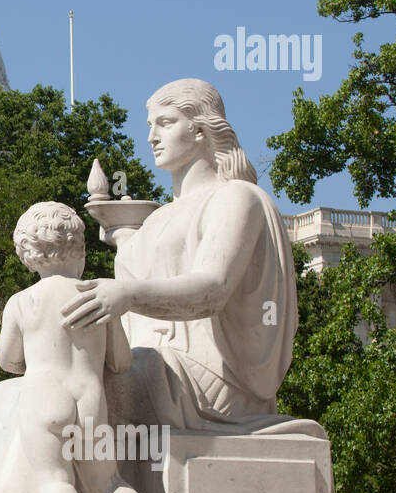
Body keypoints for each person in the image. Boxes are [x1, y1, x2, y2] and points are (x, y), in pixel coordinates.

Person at [60, 79, 324, 439]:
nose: (151, 136)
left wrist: (126, 294)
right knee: (35, 384)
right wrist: (122, 237)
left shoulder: (236, 198)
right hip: (148, 364)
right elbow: (158, 261)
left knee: (68, 394)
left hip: (211, 380)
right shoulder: (157, 219)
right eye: (150, 125)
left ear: (200, 129)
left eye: (165, 123)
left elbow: (213, 289)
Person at [2, 202, 164, 493]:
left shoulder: (22, 302)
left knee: (55, 480)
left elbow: (8, 360)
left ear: (27, 255)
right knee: (108, 482)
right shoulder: (97, 297)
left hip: (43, 398)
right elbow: (121, 362)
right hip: (90, 398)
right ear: (80, 249)